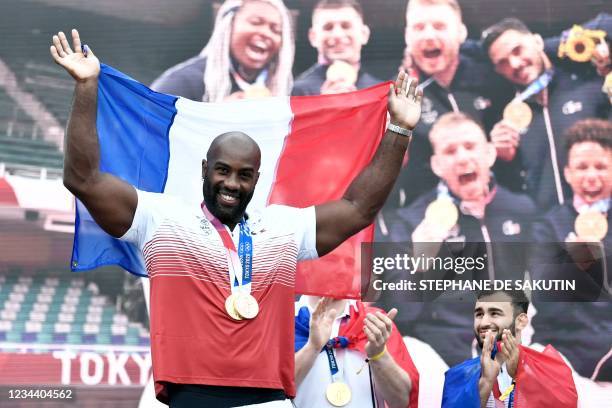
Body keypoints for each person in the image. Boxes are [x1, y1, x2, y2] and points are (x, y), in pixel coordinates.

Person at [50, 29, 422, 407]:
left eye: (244, 175)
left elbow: (358, 208)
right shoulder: (160, 219)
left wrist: (399, 130)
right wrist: (86, 88)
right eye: (223, 170)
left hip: (269, 399)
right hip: (189, 395)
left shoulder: (282, 228)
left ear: (257, 180)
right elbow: (82, 178)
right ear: (204, 169)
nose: (231, 183)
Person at [380, 112, 536, 367]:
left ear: (489, 153)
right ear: (436, 165)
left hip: (515, 350)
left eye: (470, 146)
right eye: (450, 151)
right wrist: (418, 266)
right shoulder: (411, 222)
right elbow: (401, 310)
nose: (463, 158)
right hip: (446, 359)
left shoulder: (521, 208)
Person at [379, 0, 509, 221]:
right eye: (419, 28)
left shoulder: (493, 76)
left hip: (500, 213)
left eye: (439, 26)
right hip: (429, 219)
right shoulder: (396, 95)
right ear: (407, 36)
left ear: (460, 32)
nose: (428, 36)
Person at [482, 17, 611, 212]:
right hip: (547, 230)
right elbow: (510, 188)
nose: (515, 63)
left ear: (537, 41)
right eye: (503, 62)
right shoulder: (503, 119)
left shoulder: (590, 83)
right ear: (497, 70)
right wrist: (501, 159)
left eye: (518, 50)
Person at [530, 118, 612, 381]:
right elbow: (544, 301)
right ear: (567, 173)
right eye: (581, 167)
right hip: (564, 343)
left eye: (601, 166)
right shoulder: (548, 226)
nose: (591, 176)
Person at [442, 290, 577, 408]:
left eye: (494, 313)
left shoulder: (550, 371)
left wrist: (521, 378)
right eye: (479, 314)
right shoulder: (459, 375)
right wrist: (485, 383)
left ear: (521, 321)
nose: (483, 323)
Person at [151, 0, 295, 102]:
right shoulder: (182, 82)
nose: (266, 33)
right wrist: (217, 117)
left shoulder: (278, 89)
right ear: (228, 26)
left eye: (276, 30)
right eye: (256, 22)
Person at [293, 296, 419, 407]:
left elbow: (402, 401)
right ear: (304, 268)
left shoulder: (376, 323)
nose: (337, 270)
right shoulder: (283, 318)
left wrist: (378, 355)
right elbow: (274, 393)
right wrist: (312, 348)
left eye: (346, 267)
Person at [291, 0, 382, 96]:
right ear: (313, 37)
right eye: (328, 27)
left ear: (364, 34)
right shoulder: (296, 92)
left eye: (346, 26)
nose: (337, 35)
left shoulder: (382, 92)